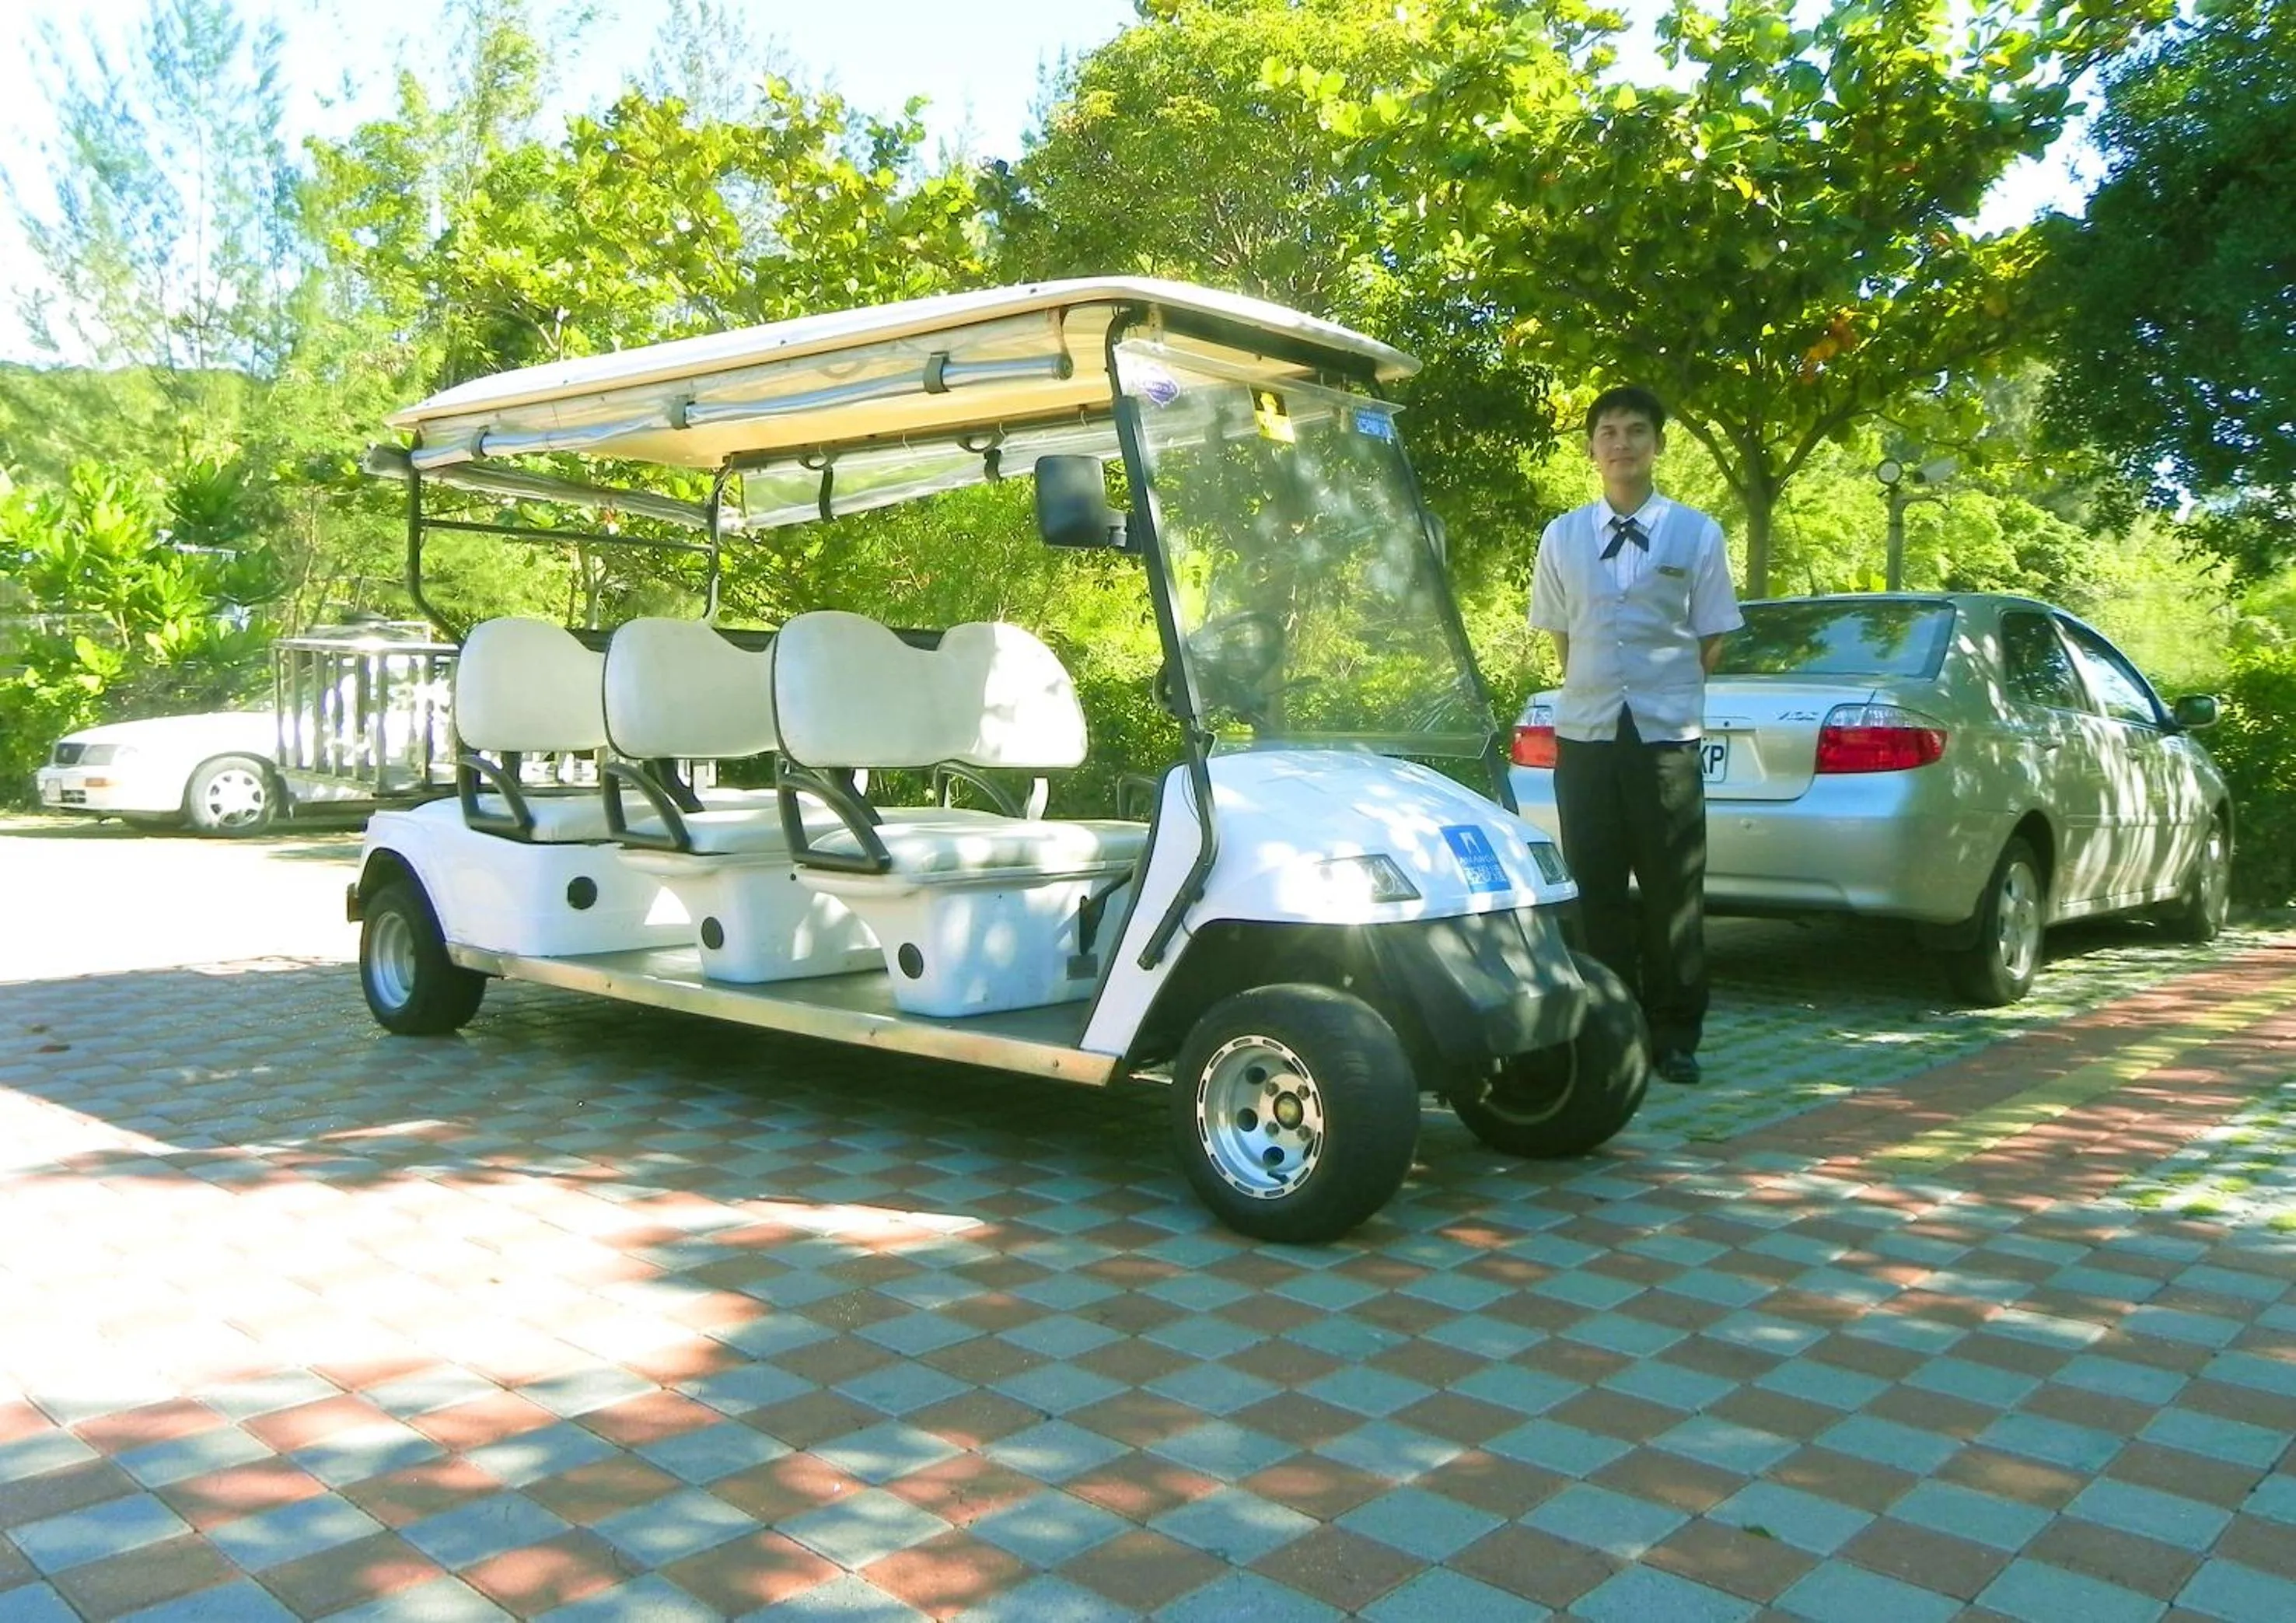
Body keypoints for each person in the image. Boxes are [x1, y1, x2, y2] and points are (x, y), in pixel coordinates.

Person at [1528, 386, 1742, 1086]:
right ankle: (1611, 1026)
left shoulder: (1696, 533)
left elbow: (1711, 638)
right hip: (1585, 735)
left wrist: (1660, 690)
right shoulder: (1561, 536)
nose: (1621, 443)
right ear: (1591, 449)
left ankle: (1675, 1033)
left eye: (1636, 431)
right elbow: (1561, 635)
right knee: (1594, 886)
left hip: (1664, 737)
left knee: (1671, 887)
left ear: (1658, 444)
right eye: (1608, 432)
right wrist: (1597, 688)